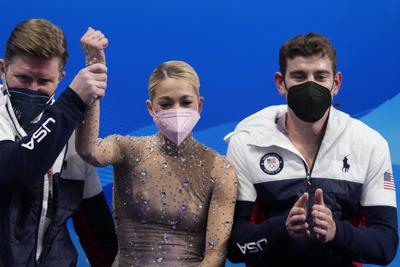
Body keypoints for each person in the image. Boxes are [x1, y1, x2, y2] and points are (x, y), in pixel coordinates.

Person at [225, 32, 398, 267]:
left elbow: (385, 246)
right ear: (280, 83)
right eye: (299, 76)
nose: (310, 85)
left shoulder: (369, 144)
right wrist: (281, 229)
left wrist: (337, 232)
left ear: (336, 83)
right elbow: (233, 246)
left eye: (320, 76)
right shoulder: (246, 144)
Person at [75, 58, 238, 266]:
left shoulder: (220, 170)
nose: (177, 110)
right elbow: (89, 150)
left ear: (200, 105)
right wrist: (94, 70)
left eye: (186, 102)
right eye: (166, 103)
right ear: (151, 108)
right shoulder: (128, 150)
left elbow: (215, 255)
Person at [0, 18, 117, 266]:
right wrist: (73, 100)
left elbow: (96, 233)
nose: (32, 89)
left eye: (44, 82)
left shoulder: (72, 133)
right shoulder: (66, 112)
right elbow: (15, 172)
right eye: (22, 78)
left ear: (61, 78)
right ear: (2, 69)